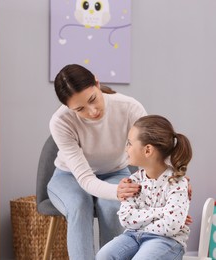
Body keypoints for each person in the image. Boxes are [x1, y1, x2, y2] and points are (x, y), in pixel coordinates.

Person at [47, 64, 147, 260]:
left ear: (97, 82)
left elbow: (153, 148)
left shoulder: (129, 108)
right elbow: (85, 179)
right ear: (68, 108)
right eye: (80, 109)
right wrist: (116, 192)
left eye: (93, 99)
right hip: (69, 177)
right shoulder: (60, 122)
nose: (92, 111)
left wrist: (172, 178)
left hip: (115, 172)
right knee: (78, 205)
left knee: (112, 208)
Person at [96, 115, 192, 260]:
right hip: (133, 236)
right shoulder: (133, 182)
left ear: (147, 150)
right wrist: (161, 212)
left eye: (129, 143)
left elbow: (172, 225)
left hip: (167, 240)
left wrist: (140, 224)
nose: (126, 148)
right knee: (104, 255)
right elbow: (126, 218)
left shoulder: (177, 182)